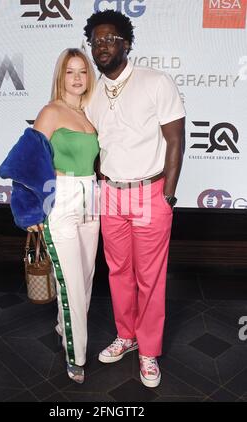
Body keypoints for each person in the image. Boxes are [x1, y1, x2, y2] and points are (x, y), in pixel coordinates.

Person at [84, 10, 185, 388]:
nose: (102, 46)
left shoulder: (155, 81)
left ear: (126, 42)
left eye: (110, 39)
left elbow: (176, 140)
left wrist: (168, 196)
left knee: (150, 278)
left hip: (150, 193)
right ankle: (126, 336)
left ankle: (148, 351)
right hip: (110, 193)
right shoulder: (91, 91)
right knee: (119, 274)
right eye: (96, 41)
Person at [28, 48, 100, 384]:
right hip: (61, 201)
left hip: (92, 201)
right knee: (71, 285)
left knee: (84, 281)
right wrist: (30, 209)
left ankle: (63, 326)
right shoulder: (50, 112)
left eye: (82, 72)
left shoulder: (89, 115)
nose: (76, 78)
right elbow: (29, 162)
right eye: (70, 71)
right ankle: (77, 356)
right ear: (61, 76)